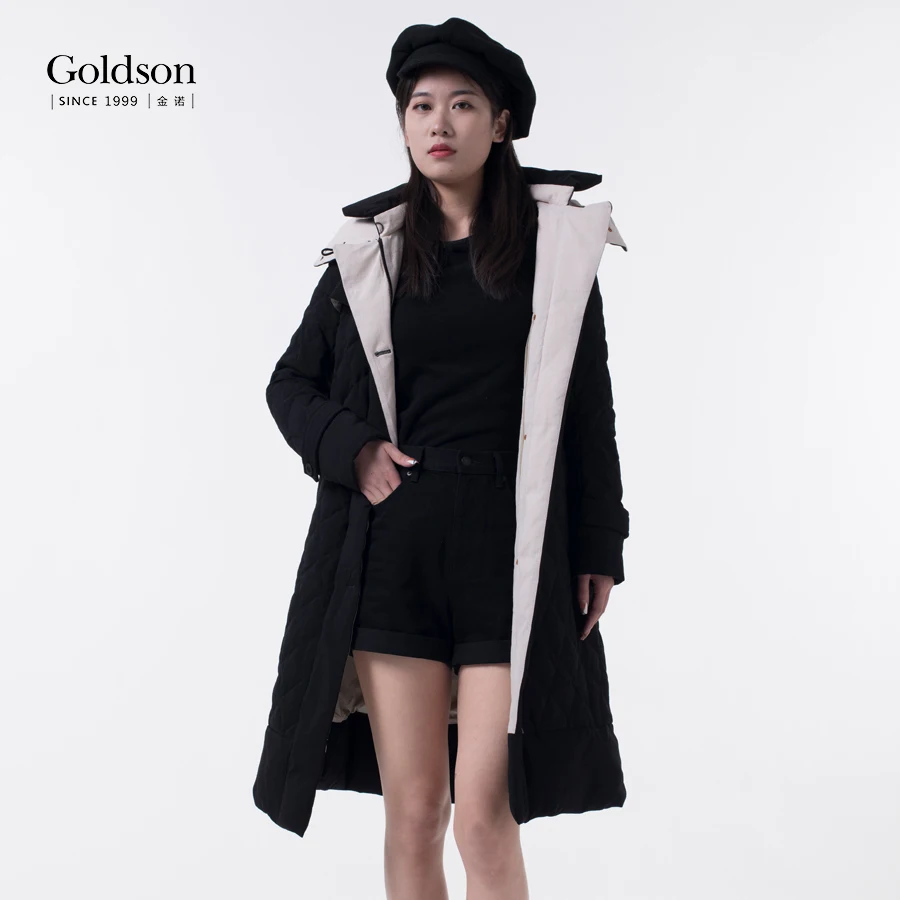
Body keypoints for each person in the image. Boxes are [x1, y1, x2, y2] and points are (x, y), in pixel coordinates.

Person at [253, 18, 630, 900]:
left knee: (484, 816)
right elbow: (290, 384)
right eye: (421, 106)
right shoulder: (370, 253)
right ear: (403, 122)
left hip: (511, 550)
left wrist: (599, 544)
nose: (439, 123)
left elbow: (589, 411)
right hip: (396, 553)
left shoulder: (555, 253)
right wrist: (352, 450)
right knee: (415, 813)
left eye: (462, 105)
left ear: (500, 123)